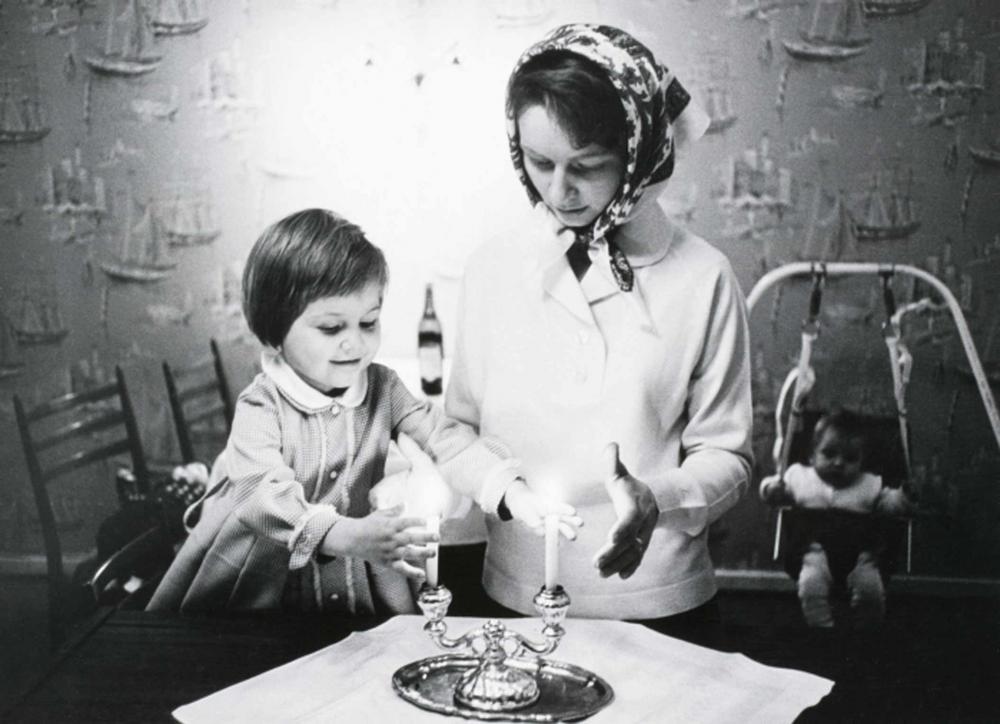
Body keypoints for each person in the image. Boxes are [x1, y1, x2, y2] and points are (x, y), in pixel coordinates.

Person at [445, 24, 753, 637]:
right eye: (539, 162)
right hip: (511, 596)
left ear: (639, 152)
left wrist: (656, 500)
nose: (559, 191)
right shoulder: (492, 270)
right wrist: (503, 488)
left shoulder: (704, 277)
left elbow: (729, 456)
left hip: (661, 605)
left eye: (587, 166)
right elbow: (457, 431)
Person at [147, 208, 575, 615]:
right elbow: (261, 494)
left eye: (368, 322)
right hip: (264, 581)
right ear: (275, 333)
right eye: (332, 328)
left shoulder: (383, 387)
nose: (355, 342)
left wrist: (512, 493)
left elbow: (447, 441)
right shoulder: (262, 405)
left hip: (357, 570)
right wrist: (342, 534)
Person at [759, 409, 912, 628]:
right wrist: (771, 490)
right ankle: (823, 630)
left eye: (850, 458)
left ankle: (865, 631)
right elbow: (773, 493)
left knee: (871, 590)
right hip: (815, 553)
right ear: (812, 455)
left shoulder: (869, 483)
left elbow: (889, 504)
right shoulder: (798, 476)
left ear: (862, 462)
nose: (839, 463)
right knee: (810, 586)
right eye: (829, 454)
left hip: (860, 555)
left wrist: (904, 497)